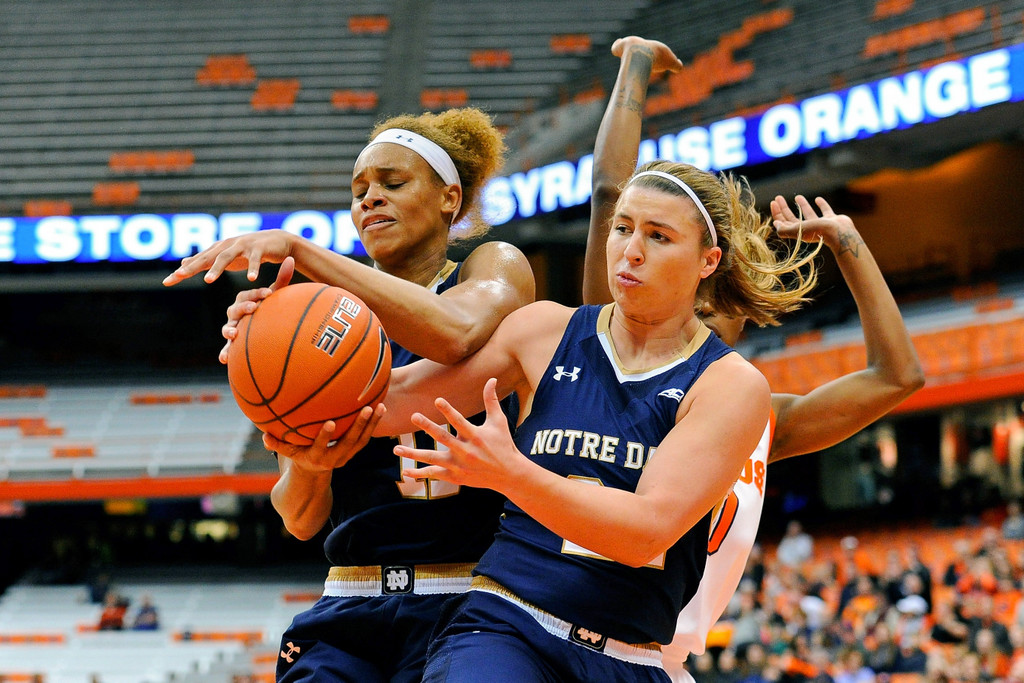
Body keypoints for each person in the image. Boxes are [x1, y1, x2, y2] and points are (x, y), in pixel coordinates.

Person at [353, 90, 820, 683]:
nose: (630, 250)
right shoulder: (543, 330)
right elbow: (397, 400)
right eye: (622, 228)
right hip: (505, 626)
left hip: (630, 656)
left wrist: (511, 473)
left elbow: (644, 531)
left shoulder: (729, 384)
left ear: (707, 261)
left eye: (658, 236)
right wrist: (282, 372)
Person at [581, 36, 924, 683]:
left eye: (714, 308)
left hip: (660, 661)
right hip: (567, 635)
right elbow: (608, 195)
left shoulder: (759, 417)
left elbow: (898, 376)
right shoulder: (611, 354)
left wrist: (848, 242)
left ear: (739, 315)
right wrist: (635, 67)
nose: (697, 317)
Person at [164, 107, 535, 682]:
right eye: (359, 191)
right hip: (350, 599)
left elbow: (455, 331)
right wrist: (310, 463)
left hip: (469, 597)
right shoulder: (318, 319)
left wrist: (301, 251)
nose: (370, 199)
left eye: (393, 183)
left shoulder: (491, 265)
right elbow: (299, 518)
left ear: (449, 198)